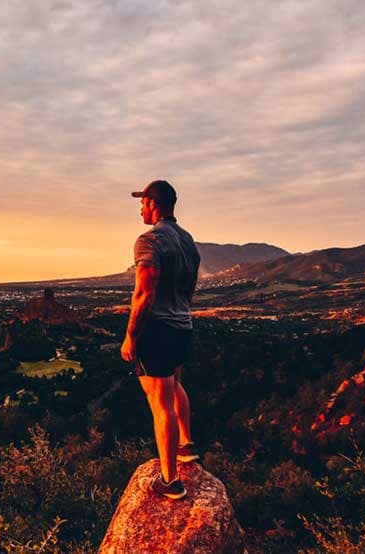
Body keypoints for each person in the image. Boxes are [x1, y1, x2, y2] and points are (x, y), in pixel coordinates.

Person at [120, 179, 201, 500]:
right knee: (175, 383)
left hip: (157, 329)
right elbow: (189, 287)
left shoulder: (148, 240)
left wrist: (130, 336)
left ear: (153, 203)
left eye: (142, 202)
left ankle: (170, 480)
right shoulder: (188, 241)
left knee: (159, 402)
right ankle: (187, 445)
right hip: (183, 325)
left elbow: (144, 293)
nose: (140, 207)